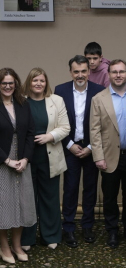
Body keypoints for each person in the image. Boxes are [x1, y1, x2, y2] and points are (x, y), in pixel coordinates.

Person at [55, 55, 105, 247]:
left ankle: (87, 226)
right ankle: (68, 227)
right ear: (70, 72)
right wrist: (69, 144)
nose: (80, 75)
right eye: (76, 71)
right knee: (70, 188)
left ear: (89, 71)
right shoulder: (60, 91)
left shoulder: (99, 91)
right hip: (70, 147)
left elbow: (103, 123)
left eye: (83, 71)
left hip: (92, 148)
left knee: (90, 189)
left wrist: (91, 147)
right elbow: (56, 121)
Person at [20, 68, 70, 251]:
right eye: (34, 80)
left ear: (46, 82)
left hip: (50, 155)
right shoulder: (21, 102)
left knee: (50, 197)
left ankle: (51, 236)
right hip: (26, 157)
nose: (38, 84)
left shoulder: (56, 101)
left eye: (41, 80)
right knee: (27, 198)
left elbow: (65, 127)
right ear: (29, 82)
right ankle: (27, 238)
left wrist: (49, 136)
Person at [90, 59, 126, 248]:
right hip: (109, 156)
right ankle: (112, 231)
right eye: (114, 72)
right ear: (109, 74)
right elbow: (95, 131)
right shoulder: (99, 99)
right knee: (110, 197)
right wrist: (98, 156)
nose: (118, 75)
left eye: (121, 71)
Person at [0, 68, 36, 264]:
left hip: (22, 162)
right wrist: (6, 160)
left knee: (22, 205)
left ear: (16, 84)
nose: (7, 86)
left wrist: (25, 159)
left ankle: (16, 245)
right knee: (3, 205)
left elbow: (31, 132)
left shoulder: (23, 104)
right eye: (3, 83)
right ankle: (4, 247)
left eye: (10, 83)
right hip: (2, 163)